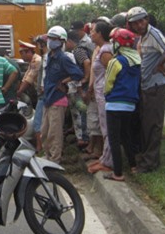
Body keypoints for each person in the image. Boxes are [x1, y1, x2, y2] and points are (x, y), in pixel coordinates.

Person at [127, 5, 165, 173]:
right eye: (135, 23)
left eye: (141, 21)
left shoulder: (154, 34)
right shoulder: (142, 38)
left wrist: (159, 65)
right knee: (146, 123)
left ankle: (149, 163)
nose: (139, 25)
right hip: (146, 86)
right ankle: (147, 158)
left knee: (153, 125)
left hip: (155, 86)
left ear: (147, 20)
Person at [102, 28, 142, 181]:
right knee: (126, 137)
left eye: (113, 42)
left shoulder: (116, 61)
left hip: (114, 105)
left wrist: (107, 95)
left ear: (118, 44)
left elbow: (108, 83)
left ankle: (117, 173)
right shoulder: (136, 61)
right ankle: (133, 166)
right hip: (130, 105)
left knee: (114, 139)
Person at [40, 26, 83, 163]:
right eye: (50, 38)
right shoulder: (50, 56)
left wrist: (64, 81)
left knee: (54, 133)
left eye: (54, 39)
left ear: (61, 41)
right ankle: (47, 156)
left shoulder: (63, 58)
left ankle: (54, 160)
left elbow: (77, 73)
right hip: (49, 98)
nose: (50, 41)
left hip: (58, 99)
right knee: (45, 132)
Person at [86, 20, 114, 174]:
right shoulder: (101, 49)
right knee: (104, 127)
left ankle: (108, 162)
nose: (91, 33)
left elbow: (111, 74)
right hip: (100, 95)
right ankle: (105, 158)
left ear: (101, 34)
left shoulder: (106, 51)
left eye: (93, 31)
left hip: (105, 95)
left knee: (107, 128)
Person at [66, 30, 92, 149]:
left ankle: (85, 138)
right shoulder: (76, 50)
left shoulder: (78, 50)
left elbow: (87, 62)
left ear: (70, 41)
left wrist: (85, 78)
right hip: (80, 85)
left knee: (82, 111)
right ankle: (83, 137)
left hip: (82, 86)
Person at [16, 40, 41, 108]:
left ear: (29, 52)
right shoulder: (32, 61)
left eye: (22, 53)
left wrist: (19, 92)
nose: (21, 56)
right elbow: (25, 77)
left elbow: (29, 79)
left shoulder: (37, 61)